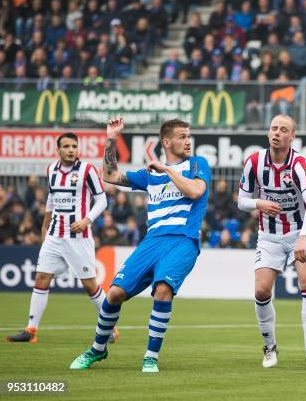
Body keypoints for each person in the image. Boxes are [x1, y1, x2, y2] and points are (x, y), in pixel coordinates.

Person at [69, 117, 211, 373]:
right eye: (182, 136)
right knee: (114, 294)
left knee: (163, 290)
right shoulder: (149, 176)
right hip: (152, 241)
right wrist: (112, 138)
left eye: (189, 135)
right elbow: (109, 175)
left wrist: (167, 170)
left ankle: (150, 357)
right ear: (166, 141)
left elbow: (195, 192)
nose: (188, 140)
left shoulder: (198, 164)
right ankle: (97, 349)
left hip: (183, 241)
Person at [237, 114, 306, 371]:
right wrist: (259, 203)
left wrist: (304, 236)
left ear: (292, 136)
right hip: (269, 235)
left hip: (301, 231)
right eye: (274, 128)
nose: (277, 132)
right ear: (268, 133)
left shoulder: (299, 163)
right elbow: (241, 200)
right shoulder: (254, 161)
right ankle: (270, 346)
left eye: (283, 129)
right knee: (261, 291)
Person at [6, 133, 113, 343]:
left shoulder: (87, 170)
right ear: (59, 150)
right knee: (41, 278)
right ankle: (31, 331)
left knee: (90, 284)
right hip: (55, 234)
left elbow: (102, 200)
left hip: (79, 237)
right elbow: (51, 199)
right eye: (67, 146)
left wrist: (86, 220)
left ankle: (111, 328)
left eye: (74, 146)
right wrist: (45, 226)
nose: (71, 149)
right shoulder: (51, 170)